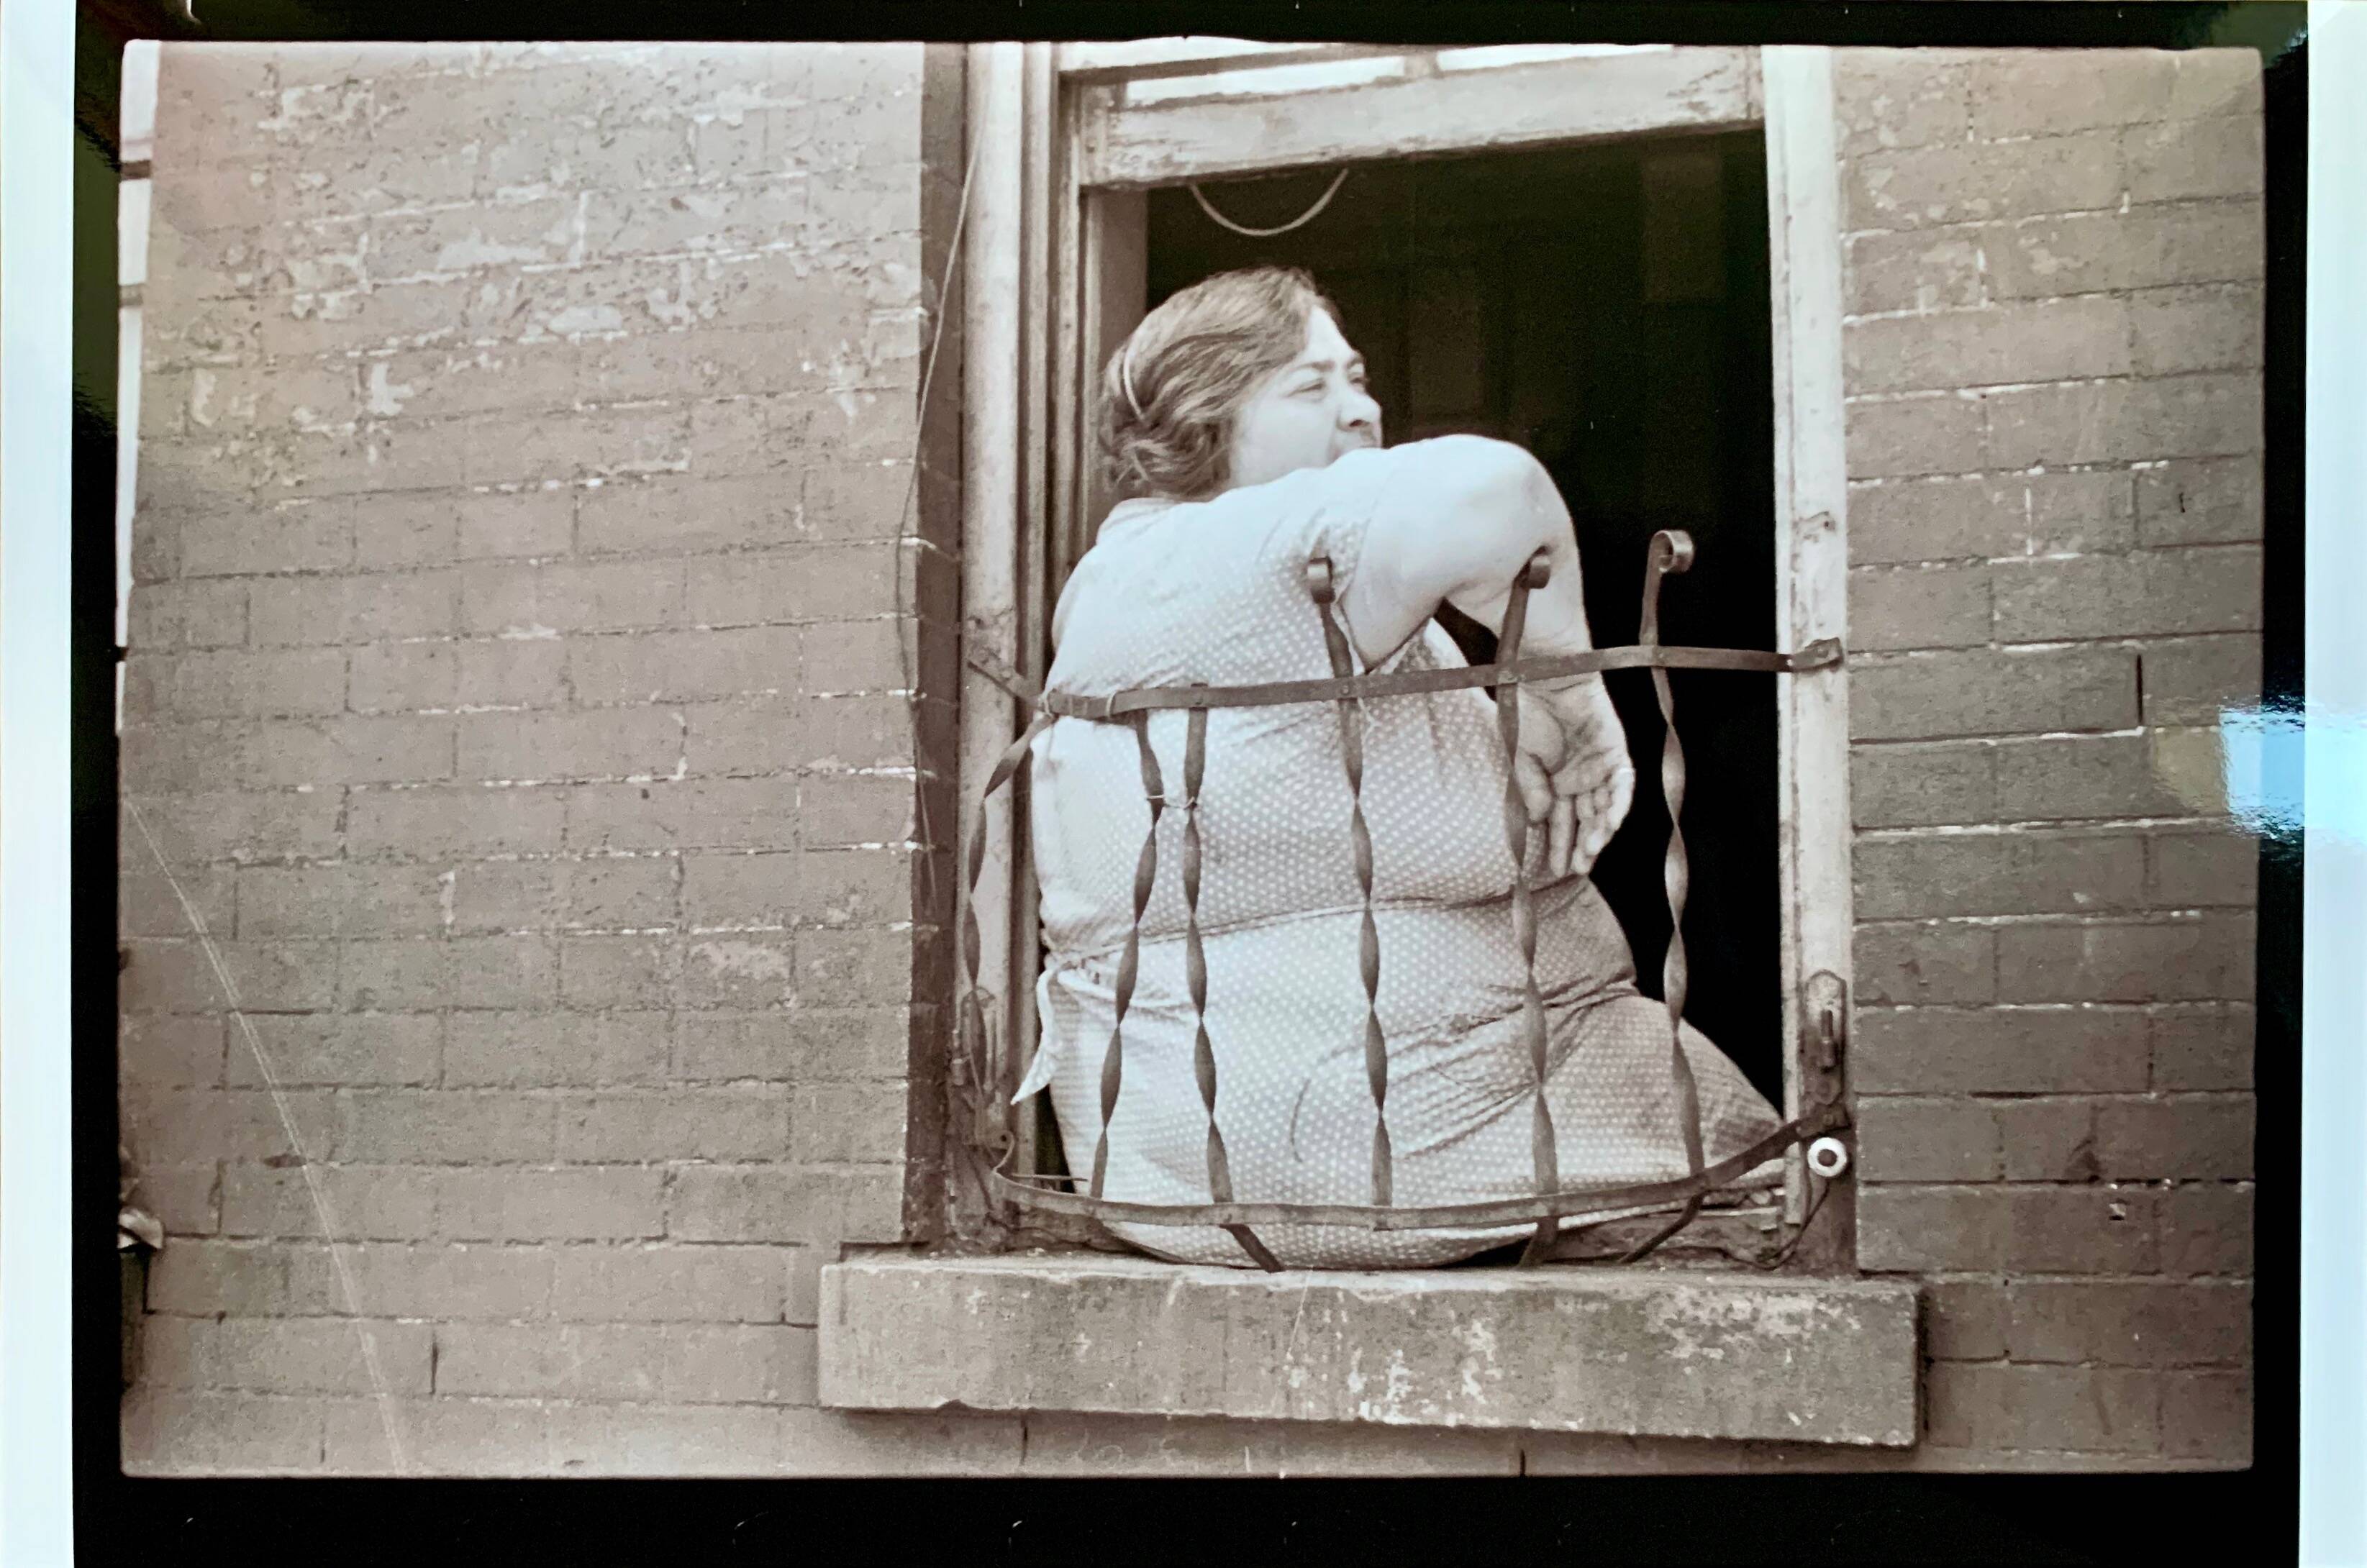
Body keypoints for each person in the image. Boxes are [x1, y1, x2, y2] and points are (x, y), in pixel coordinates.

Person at [1015, 264, 1784, 1268]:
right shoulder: (1196, 561)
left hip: (1351, 1125)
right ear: (1203, 421)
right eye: (1310, 387)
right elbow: (1493, 493)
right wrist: (1563, 685)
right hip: (1372, 1133)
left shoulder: (1231, 572)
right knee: (1796, 1207)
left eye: (1358, 378)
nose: (1361, 409)